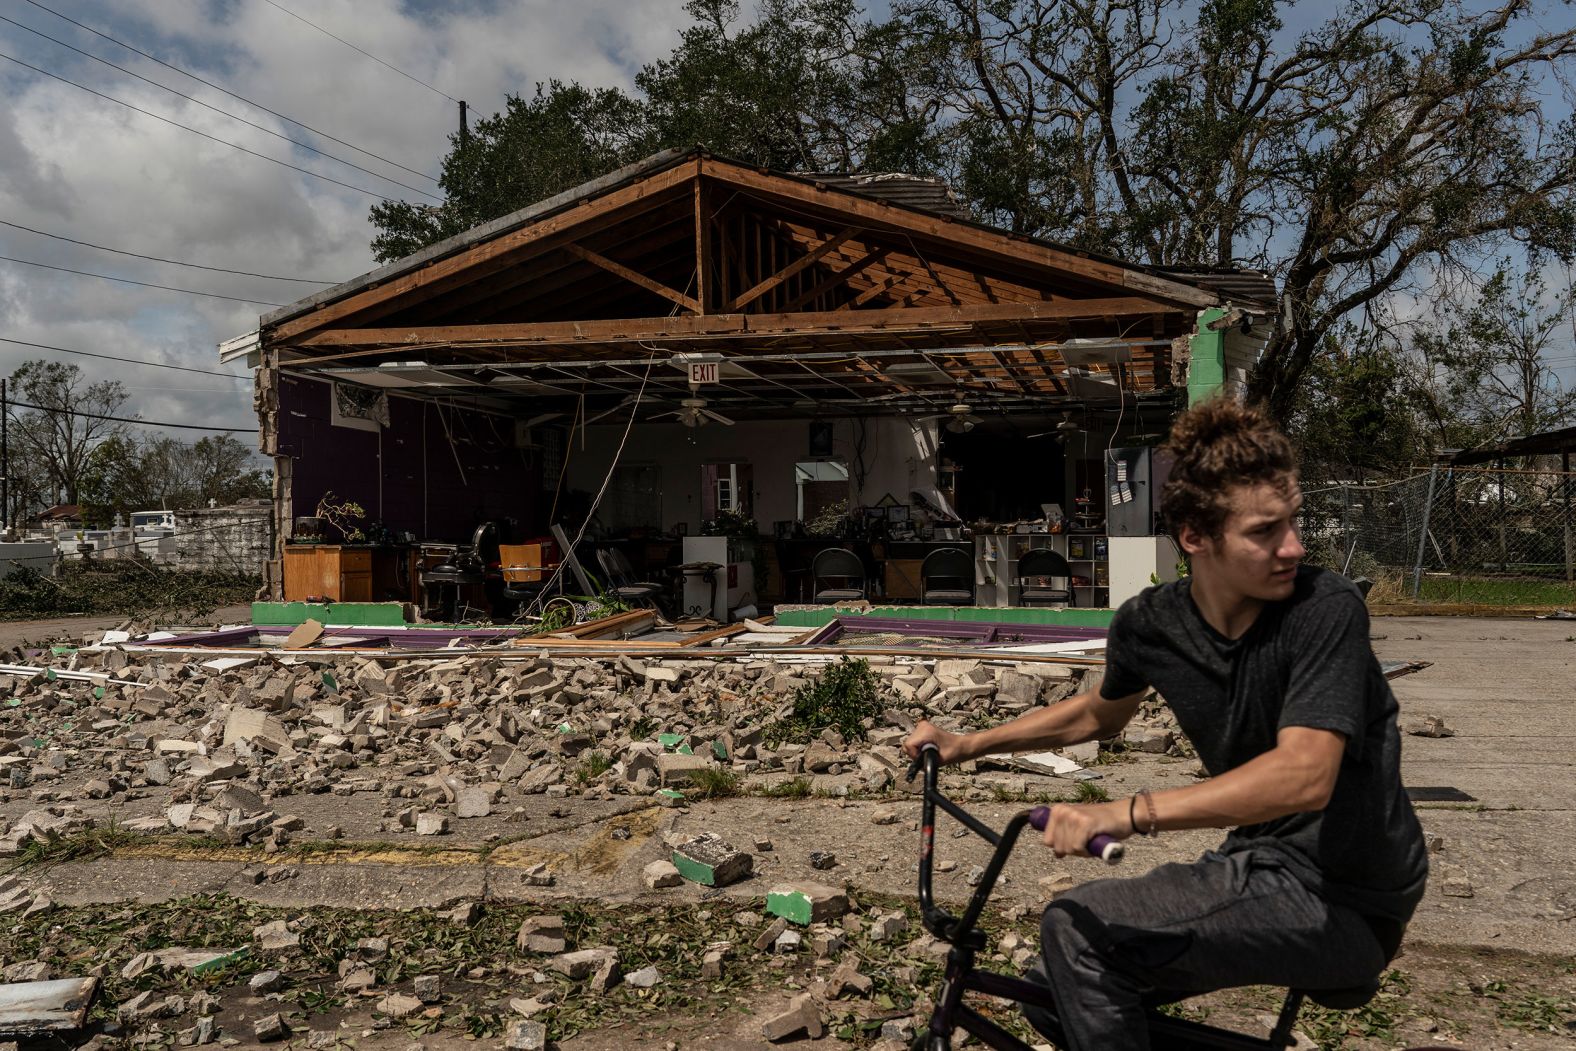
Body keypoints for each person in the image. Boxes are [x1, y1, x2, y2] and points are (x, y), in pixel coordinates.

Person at [903, 398, 1428, 1051]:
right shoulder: (1151, 625)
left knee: (1074, 928)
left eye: (1293, 523)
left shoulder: (1324, 609)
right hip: (1258, 863)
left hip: (1347, 896)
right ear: (1194, 536)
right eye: (1265, 530)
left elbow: (1306, 774)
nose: (1293, 545)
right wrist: (966, 743)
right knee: (1053, 993)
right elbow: (1099, 712)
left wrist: (1125, 811)